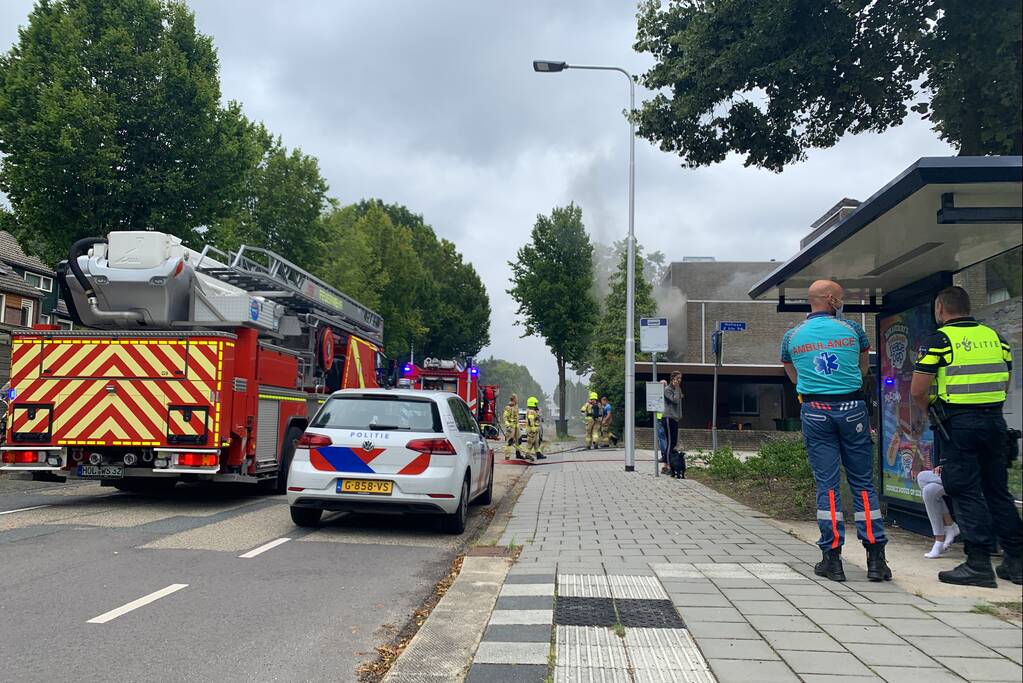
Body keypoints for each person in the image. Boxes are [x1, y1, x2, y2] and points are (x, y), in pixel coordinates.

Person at [910, 286, 1020, 587]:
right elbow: (1006, 380)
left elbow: (918, 390)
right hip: (995, 421)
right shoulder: (997, 339)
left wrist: (934, 411)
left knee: (965, 491)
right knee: (998, 492)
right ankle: (1016, 561)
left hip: (957, 424)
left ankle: (978, 564)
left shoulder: (940, 341)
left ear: (940, 308)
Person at [781, 279, 890, 583]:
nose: (843, 302)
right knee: (862, 483)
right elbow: (863, 369)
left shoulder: (792, 336)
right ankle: (876, 559)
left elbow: (792, 374)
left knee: (827, 485)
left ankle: (832, 559)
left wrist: (812, 384)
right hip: (852, 408)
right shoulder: (854, 330)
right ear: (830, 299)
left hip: (815, 411)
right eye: (841, 298)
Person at [916, 467, 959, 558]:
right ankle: (950, 525)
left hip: (969, 475)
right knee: (924, 481)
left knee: (929, 489)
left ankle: (939, 539)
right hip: (954, 471)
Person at [663, 372, 684, 477]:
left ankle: (671, 463)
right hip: (668, 418)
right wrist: (676, 388)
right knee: (670, 442)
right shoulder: (667, 389)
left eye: (680, 378)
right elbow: (675, 400)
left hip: (675, 418)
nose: (679, 380)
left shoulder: (678, 388)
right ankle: (667, 465)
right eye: (678, 378)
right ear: (672, 379)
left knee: (674, 442)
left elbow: (680, 399)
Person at [502, 394, 523, 460]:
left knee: (519, 440)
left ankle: (518, 454)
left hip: (516, 426)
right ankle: (507, 456)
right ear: (514, 399)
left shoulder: (516, 406)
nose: (517, 399)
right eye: (516, 398)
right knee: (510, 441)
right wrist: (507, 425)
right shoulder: (508, 407)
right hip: (511, 427)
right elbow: (505, 417)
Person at [525, 396, 545, 460]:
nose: (537, 405)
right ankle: (527, 455)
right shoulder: (531, 412)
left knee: (536, 443)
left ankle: (538, 454)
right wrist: (533, 428)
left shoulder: (533, 411)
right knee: (530, 443)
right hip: (532, 430)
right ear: (532, 403)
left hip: (534, 430)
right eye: (536, 404)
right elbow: (531, 420)